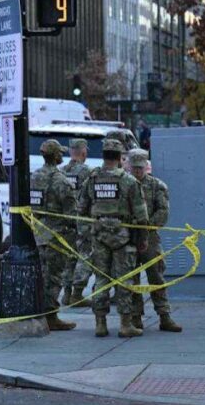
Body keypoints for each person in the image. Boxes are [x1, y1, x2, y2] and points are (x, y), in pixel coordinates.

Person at [78, 139, 149, 338]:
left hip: (98, 235)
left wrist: (88, 231)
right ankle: (125, 324)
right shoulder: (128, 181)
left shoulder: (92, 179)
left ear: (103, 156)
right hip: (123, 236)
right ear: (120, 158)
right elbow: (142, 216)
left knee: (101, 278)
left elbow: (81, 208)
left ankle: (100, 323)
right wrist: (142, 238)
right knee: (124, 279)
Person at [127, 149, 182, 332]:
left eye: (140, 168)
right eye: (134, 168)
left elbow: (163, 211)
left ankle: (164, 315)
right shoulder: (124, 184)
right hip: (127, 237)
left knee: (156, 276)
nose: (137, 171)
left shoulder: (157, 185)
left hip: (149, 237)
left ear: (146, 167)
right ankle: (135, 317)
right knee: (131, 279)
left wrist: (147, 227)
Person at [29, 139, 78, 331]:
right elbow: (70, 214)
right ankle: (51, 316)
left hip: (38, 232)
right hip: (56, 236)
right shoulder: (61, 180)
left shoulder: (34, 176)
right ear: (56, 156)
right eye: (60, 153)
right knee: (54, 277)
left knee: (41, 275)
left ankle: (41, 311)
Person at [60, 138, 93, 306]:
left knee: (69, 256)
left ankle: (66, 293)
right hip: (83, 221)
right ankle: (77, 293)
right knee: (85, 256)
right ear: (84, 152)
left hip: (65, 221)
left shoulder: (61, 171)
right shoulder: (87, 171)